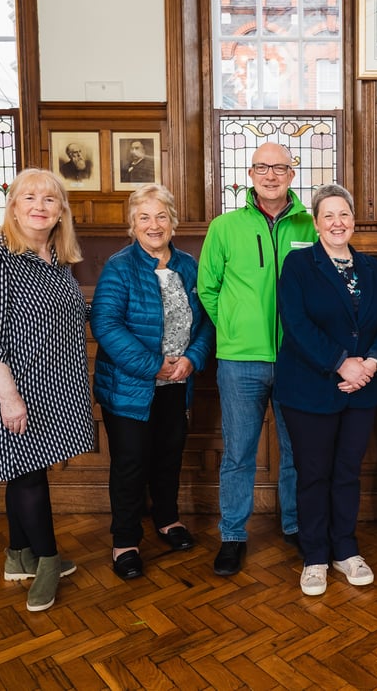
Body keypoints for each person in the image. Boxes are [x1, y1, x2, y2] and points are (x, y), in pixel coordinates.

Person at [0, 168, 94, 612]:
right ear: (14, 206)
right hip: (16, 385)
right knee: (28, 473)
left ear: (61, 210)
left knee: (26, 468)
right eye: (30, 197)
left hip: (56, 384)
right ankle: (46, 560)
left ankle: (16, 554)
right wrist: (9, 397)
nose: (39, 206)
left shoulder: (58, 260)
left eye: (49, 199)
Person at [197, 142, 317, 577]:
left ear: (291, 172)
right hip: (240, 361)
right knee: (239, 453)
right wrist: (231, 328)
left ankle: (295, 526)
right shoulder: (225, 227)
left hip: (298, 360)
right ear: (250, 173)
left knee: (296, 451)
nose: (271, 174)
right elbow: (207, 288)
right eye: (262, 167)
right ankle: (232, 535)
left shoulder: (312, 222)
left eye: (280, 167)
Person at [275, 184, 377, 596]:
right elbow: (296, 322)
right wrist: (341, 361)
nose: (337, 222)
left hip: (361, 389)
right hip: (309, 388)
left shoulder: (370, 268)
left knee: (347, 473)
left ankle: (345, 549)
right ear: (316, 222)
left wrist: (372, 362)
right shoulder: (298, 264)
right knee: (313, 475)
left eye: (343, 214)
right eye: (328, 215)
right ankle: (314, 556)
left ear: (354, 221)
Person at [90, 184, 214, 580]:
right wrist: (154, 365)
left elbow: (208, 320)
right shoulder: (119, 266)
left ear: (173, 222)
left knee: (168, 455)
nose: (154, 225)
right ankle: (124, 540)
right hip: (130, 385)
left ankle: (167, 520)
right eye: (144, 217)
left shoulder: (189, 266)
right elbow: (104, 324)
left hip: (178, 383)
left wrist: (192, 360)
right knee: (130, 463)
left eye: (161, 216)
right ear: (132, 224)